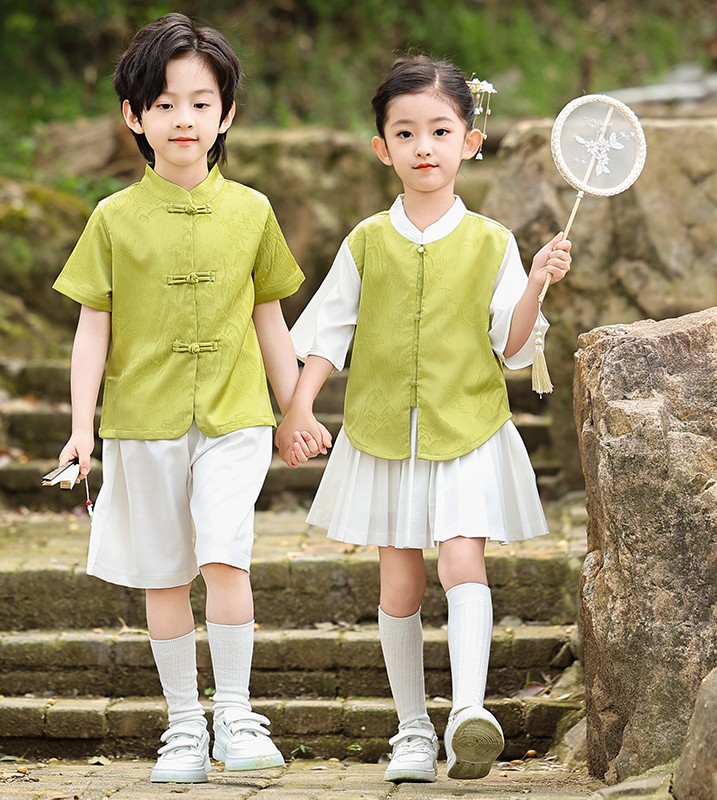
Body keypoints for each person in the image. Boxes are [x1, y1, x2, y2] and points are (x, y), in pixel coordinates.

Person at [275, 55, 571, 783]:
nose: (424, 146)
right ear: (383, 148)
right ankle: (411, 729)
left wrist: (535, 282)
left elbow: (510, 346)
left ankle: (469, 712)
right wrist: (300, 405)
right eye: (405, 133)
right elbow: (327, 334)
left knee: (461, 560)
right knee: (399, 585)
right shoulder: (366, 242)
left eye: (441, 130)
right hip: (384, 434)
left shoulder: (493, 242)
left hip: (465, 426)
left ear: (470, 141)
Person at [52, 13, 328, 785]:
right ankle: (182, 725)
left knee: (223, 555)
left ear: (226, 114)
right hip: (142, 421)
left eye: (200, 103)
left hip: (236, 418)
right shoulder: (112, 218)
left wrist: (294, 408)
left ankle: (235, 713)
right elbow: (90, 332)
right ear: (134, 117)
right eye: (165, 104)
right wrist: (82, 429)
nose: (183, 119)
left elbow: (270, 319)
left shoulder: (252, 212)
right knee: (165, 576)